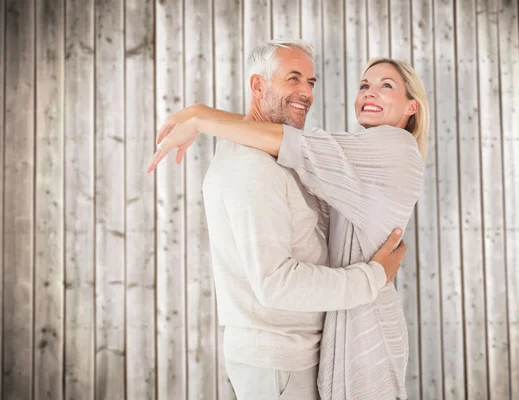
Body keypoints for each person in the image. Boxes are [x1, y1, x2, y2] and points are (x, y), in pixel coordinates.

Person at [148, 40, 411, 400]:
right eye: (293, 79)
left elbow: (299, 142)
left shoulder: (379, 149)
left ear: (413, 106)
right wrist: (374, 276)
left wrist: (201, 115)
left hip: (297, 353)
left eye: (311, 82)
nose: (306, 92)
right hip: (279, 361)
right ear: (258, 86)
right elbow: (276, 283)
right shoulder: (252, 165)